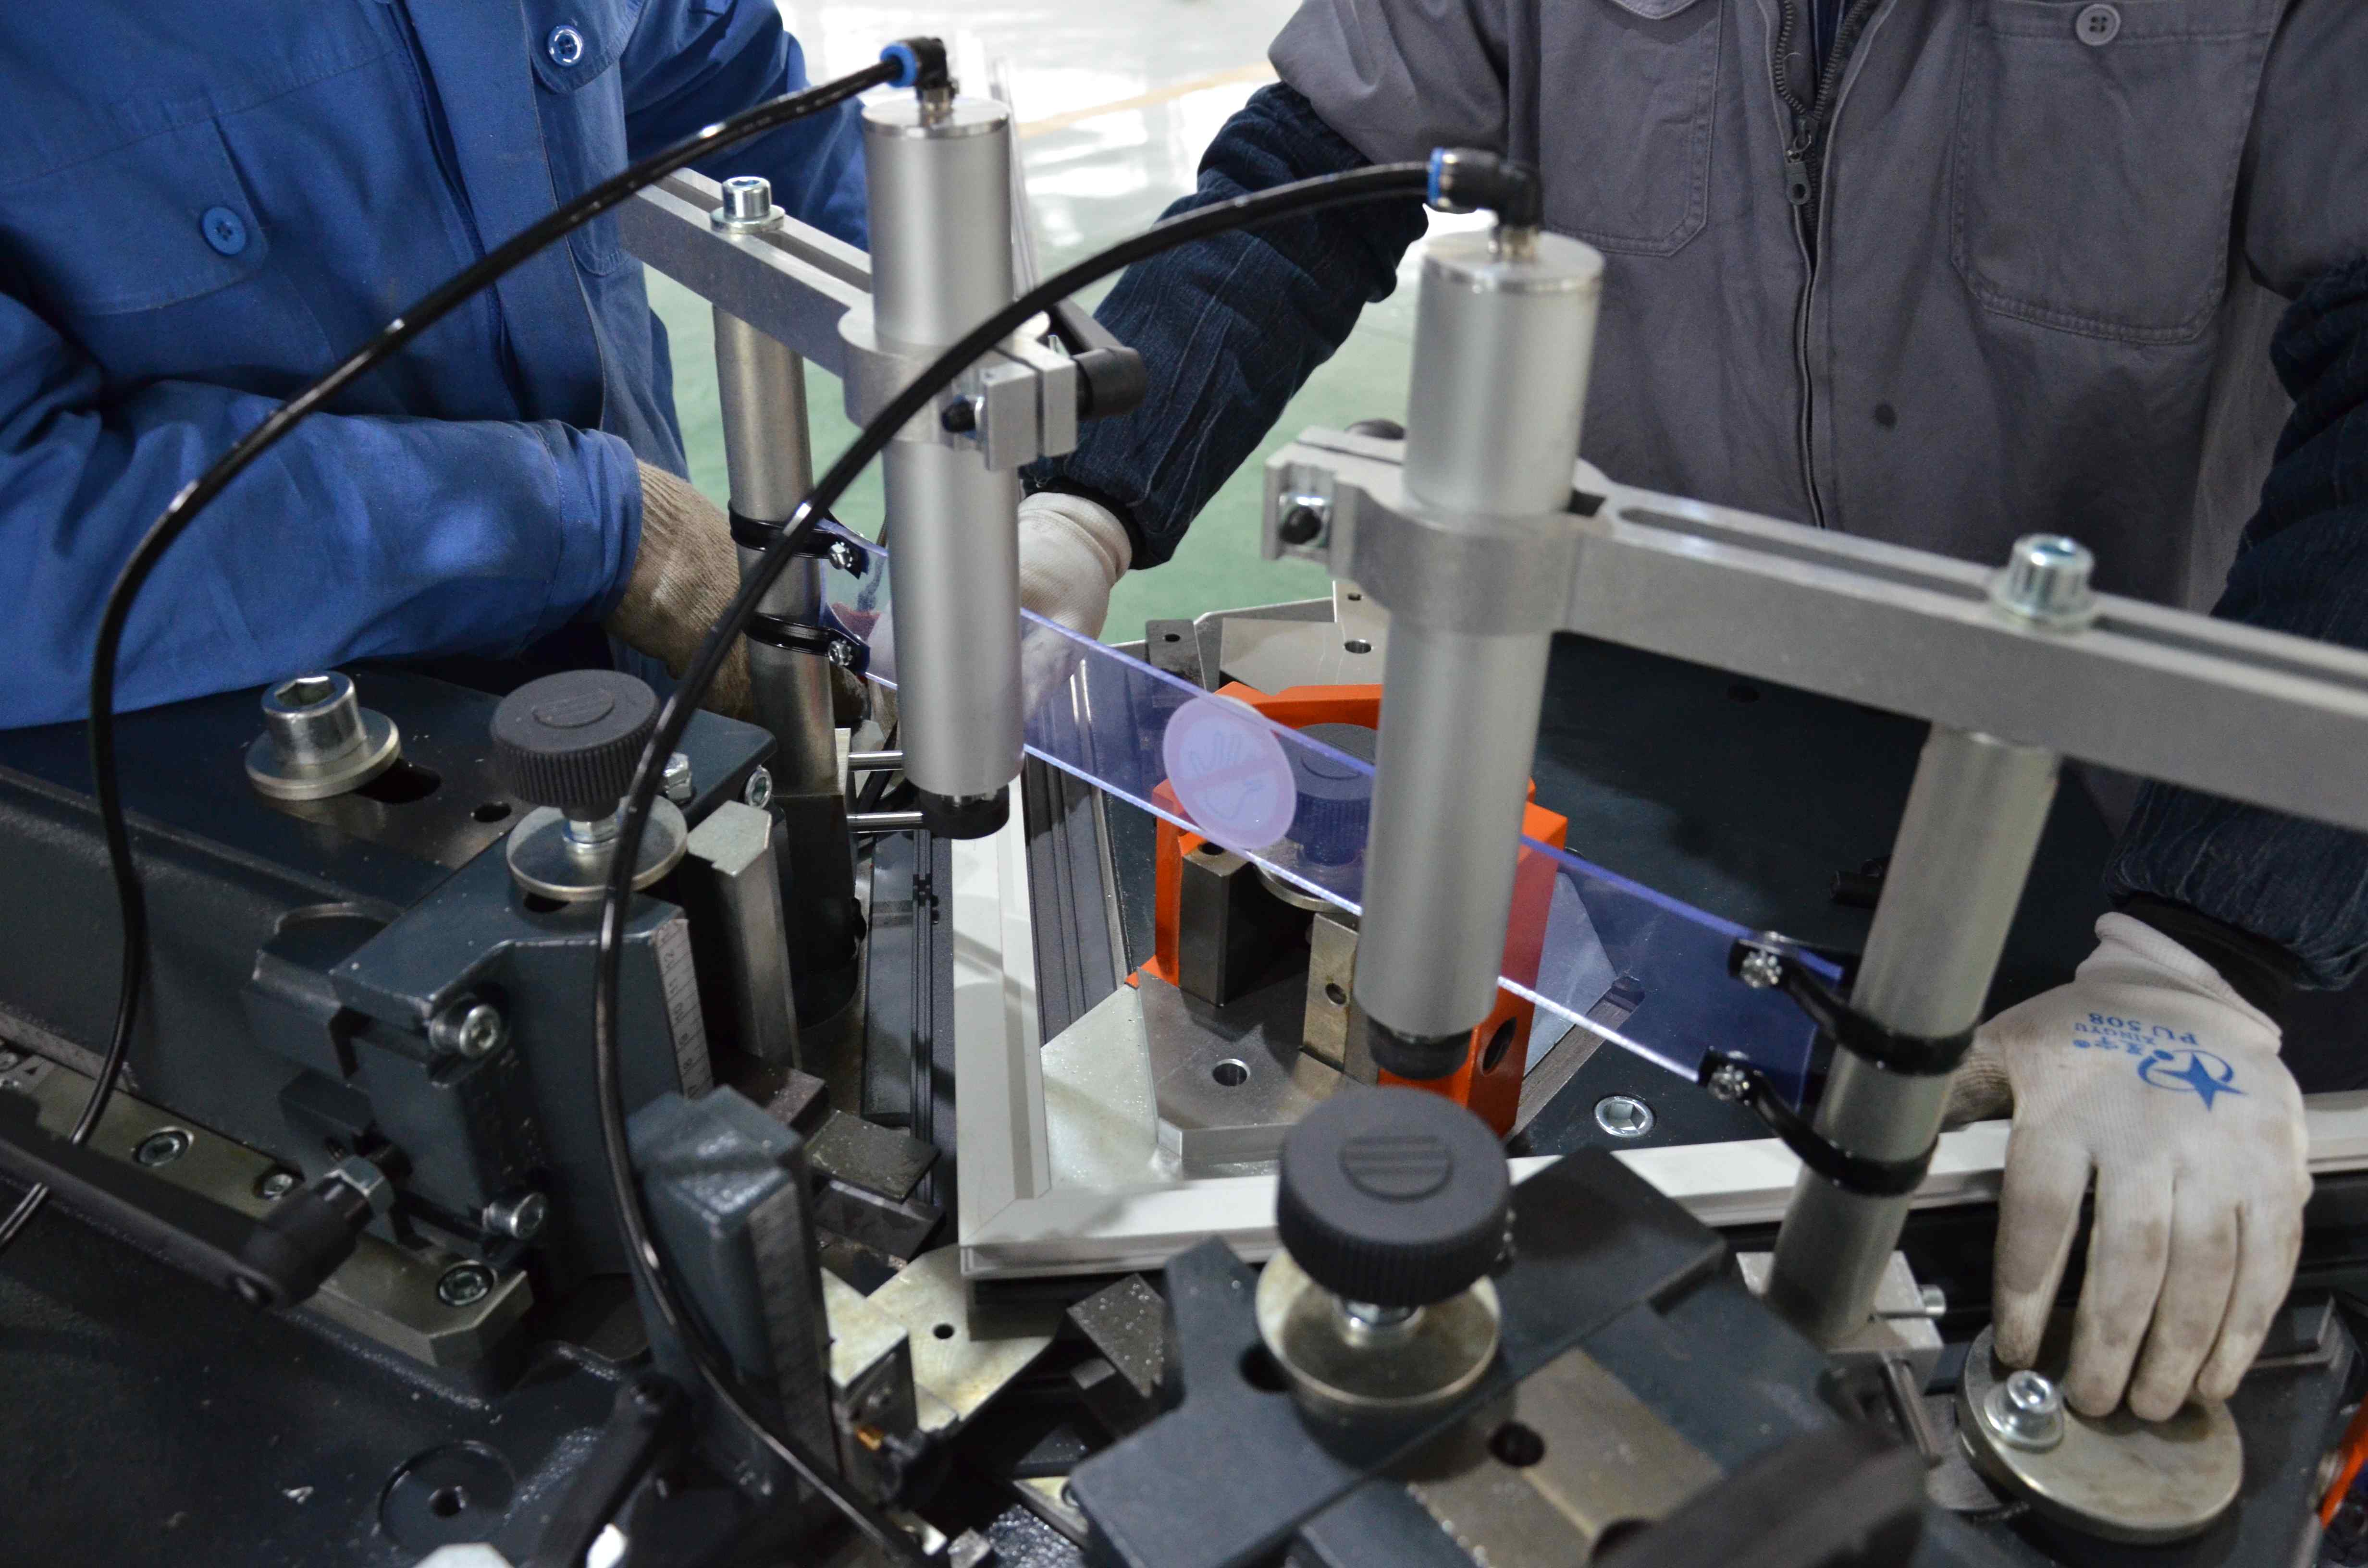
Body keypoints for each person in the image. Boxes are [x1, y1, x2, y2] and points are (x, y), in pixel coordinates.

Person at [1018, 0, 2367, 1424]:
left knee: (2149, 1298)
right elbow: (1309, 171)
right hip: (1665, 749)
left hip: (2146, 814)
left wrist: (2196, 966)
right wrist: (1081, 503)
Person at [0, 0, 864, 727]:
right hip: (339, 788)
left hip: (666, 698)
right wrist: (600, 532)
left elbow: (727, 77)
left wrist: (937, 344)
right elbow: (25, 548)